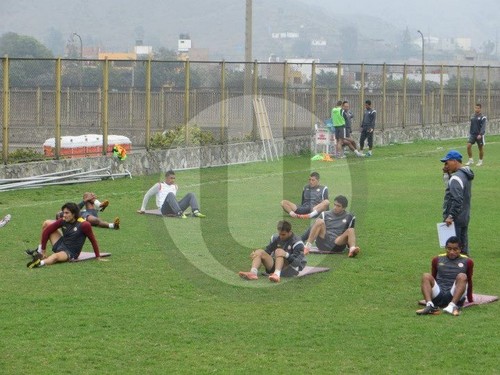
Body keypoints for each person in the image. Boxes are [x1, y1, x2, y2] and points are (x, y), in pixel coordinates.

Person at [26, 202, 103, 268]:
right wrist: (43, 250)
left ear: (73, 214)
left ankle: (39, 263)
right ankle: (40, 253)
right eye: (63, 212)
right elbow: (47, 232)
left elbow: (93, 240)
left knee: (55, 257)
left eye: (67, 213)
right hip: (61, 243)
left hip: (70, 252)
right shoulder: (63, 220)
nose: (64, 215)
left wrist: (98, 257)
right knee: (47, 223)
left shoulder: (84, 225)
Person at [416, 236, 474, 316]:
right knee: (426, 276)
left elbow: (469, 280)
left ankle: (452, 306)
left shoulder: (467, 261)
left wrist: (470, 299)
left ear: (460, 249)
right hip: (439, 294)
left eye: (455, 249)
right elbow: (433, 277)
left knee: (462, 276)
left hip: (454, 294)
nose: (452, 252)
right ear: (445, 248)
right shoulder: (437, 259)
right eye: (449, 249)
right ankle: (429, 305)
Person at [238, 220, 306, 283]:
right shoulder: (277, 238)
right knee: (259, 252)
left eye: (283, 234)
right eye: (279, 234)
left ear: (289, 232)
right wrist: (256, 255)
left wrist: (286, 255)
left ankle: (276, 275)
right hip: (277, 266)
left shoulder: (298, 242)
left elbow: (297, 263)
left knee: (278, 251)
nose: (281, 237)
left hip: (291, 270)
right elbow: (267, 251)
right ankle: (253, 273)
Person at [441, 150, 474, 255]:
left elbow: (457, 199)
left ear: (454, 161)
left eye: (447, 162)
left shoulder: (456, 178)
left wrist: (450, 216)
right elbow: (452, 190)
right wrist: (447, 175)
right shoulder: (466, 174)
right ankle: (466, 269)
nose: (446, 165)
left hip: (455, 219)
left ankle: (458, 270)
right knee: (463, 248)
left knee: (454, 250)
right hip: (464, 215)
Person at [138, 169, 206, 218]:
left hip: (174, 208)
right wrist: (143, 208)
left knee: (191, 195)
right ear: (166, 178)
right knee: (170, 194)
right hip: (164, 209)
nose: (173, 180)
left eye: (174, 178)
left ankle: (196, 211)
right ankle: (179, 213)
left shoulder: (175, 186)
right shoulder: (159, 185)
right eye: (171, 178)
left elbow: (174, 200)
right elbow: (148, 195)